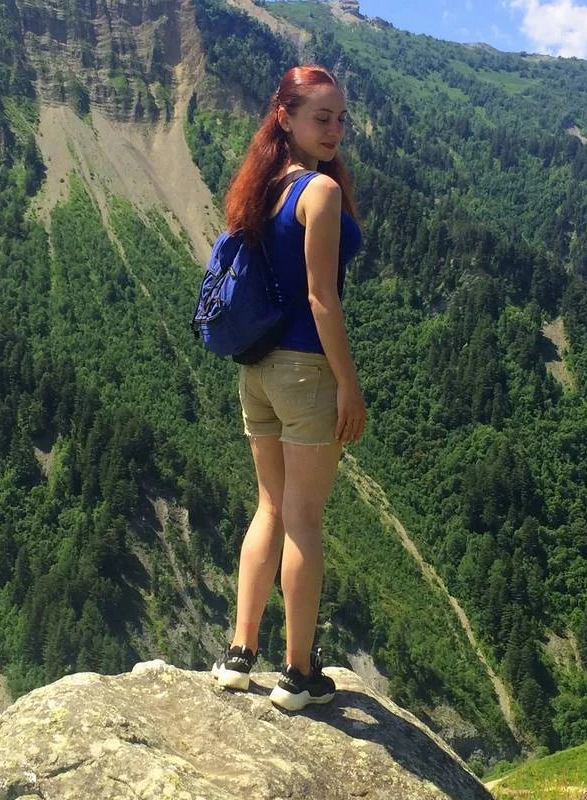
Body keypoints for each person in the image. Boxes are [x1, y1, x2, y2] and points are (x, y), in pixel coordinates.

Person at [209, 64, 365, 711]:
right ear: (286, 117)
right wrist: (348, 384)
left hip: (258, 369)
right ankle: (298, 674)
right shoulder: (317, 192)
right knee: (303, 519)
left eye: (340, 119)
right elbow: (322, 299)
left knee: (269, 507)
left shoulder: (262, 186)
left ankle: (238, 654)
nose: (334, 130)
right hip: (304, 369)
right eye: (321, 118)